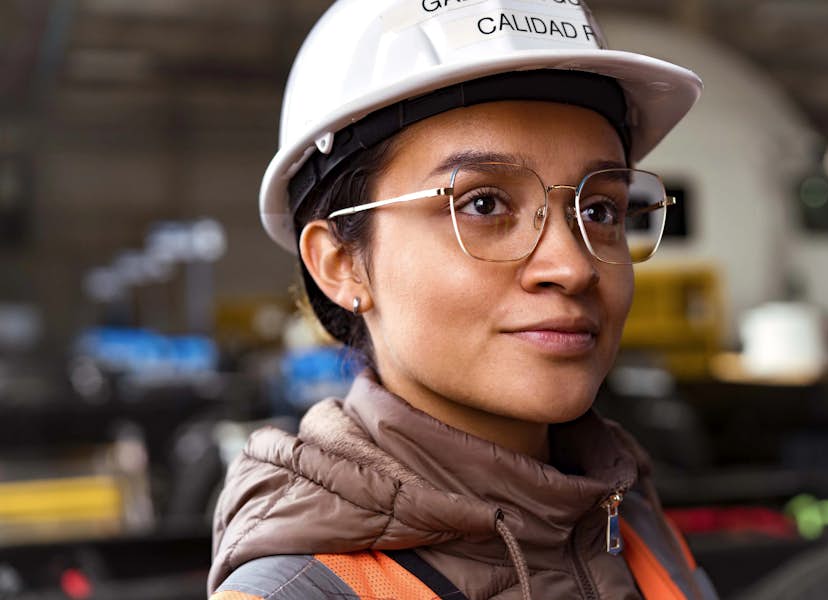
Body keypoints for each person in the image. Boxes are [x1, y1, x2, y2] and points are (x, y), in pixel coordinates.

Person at [209, 0, 717, 598]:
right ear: (341, 263)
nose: (573, 266)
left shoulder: (630, 524)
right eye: (483, 205)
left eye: (600, 210)